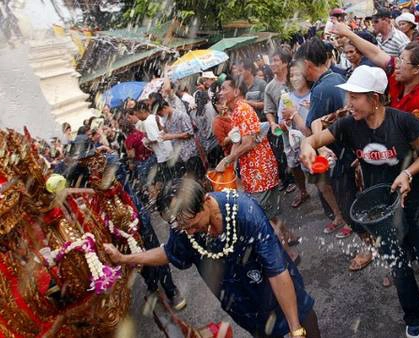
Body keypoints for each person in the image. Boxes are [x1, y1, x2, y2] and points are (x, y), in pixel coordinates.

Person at [300, 66, 419, 338]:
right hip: (379, 210)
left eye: (355, 97)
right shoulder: (348, 125)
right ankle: (414, 316)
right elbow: (313, 137)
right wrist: (308, 147)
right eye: (348, 97)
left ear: (375, 98)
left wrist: (407, 172)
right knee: (398, 266)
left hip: (413, 204)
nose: (349, 104)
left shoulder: (403, 122)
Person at [103, 178, 320, 338]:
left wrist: (295, 328)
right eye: (184, 227)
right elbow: (169, 252)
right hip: (247, 309)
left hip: (282, 295)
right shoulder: (184, 227)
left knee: (306, 329)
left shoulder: (244, 211)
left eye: (193, 224)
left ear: (206, 201)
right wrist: (124, 258)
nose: (189, 232)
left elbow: (276, 271)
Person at [294, 37, 355, 239]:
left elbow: (311, 131)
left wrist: (293, 116)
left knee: (347, 197)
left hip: (340, 154)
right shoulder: (336, 78)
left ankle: (359, 235)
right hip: (351, 149)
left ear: (308, 65)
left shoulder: (321, 89)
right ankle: (343, 219)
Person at [215, 78, 281, 220]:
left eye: (224, 89)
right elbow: (237, 141)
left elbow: (248, 143)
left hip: (259, 170)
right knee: (269, 217)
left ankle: (284, 239)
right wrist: (231, 165)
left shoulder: (243, 110)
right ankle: (287, 239)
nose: (220, 93)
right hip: (253, 172)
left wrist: (228, 159)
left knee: (263, 217)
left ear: (236, 91)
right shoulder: (235, 112)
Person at [278, 65, 312, 209]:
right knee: (294, 165)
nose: (294, 78)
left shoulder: (313, 94)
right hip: (292, 141)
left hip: (311, 138)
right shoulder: (286, 97)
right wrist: (285, 123)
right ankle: (303, 191)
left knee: (316, 170)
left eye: (298, 74)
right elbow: (280, 122)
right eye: (291, 75)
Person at [263, 48, 296, 193]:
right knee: (292, 159)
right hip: (285, 128)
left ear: (286, 63)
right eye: (271, 61)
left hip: (303, 124)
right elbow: (268, 110)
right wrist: (272, 123)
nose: (272, 64)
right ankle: (301, 189)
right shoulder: (270, 87)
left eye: (276, 60)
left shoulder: (296, 78)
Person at [155, 99, 204, 179]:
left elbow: (189, 133)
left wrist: (171, 136)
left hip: (190, 153)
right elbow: (169, 132)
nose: (162, 116)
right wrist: (164, 133)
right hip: (179, 155)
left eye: (161, 114)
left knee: (197, 179)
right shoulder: (166, 120)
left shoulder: (181, 115)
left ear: (164, 108)